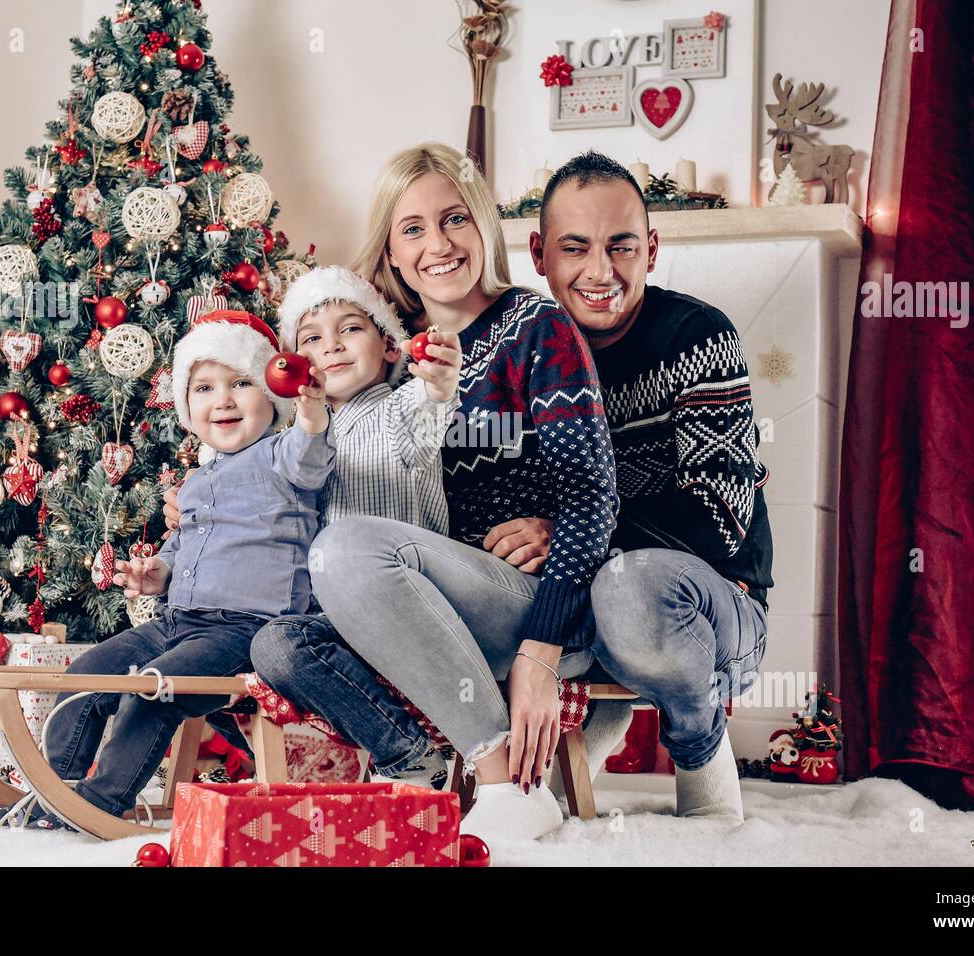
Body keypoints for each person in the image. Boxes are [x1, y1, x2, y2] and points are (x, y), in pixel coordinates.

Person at [302, 142, 621, 843]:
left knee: (344, 552)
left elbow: (593, 495)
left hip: (526, 607)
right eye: (412, 228)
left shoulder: (535, 327)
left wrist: (542, 650)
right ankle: (408, 774)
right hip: (415, 600)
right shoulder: (378, 342)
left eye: (454, 220)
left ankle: (504, 779)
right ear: (390, 246)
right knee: (287, 630)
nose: (438, 244)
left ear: (482, 224)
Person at [527, 151, 775, 822]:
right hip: (583, 602)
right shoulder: (528, 353)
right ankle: (572, 733)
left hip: (716, 608)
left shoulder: (698, 337)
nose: (600, 271)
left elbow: (717, 520)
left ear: (652, 250)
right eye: (574, 248)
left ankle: (699, 745)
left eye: (621, 246)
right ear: (539, 254)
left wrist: (570, 529)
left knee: (628, 583)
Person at [19, 309, 333, 829]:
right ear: (188, 407)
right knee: (86, 674)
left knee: (153, 689)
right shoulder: (197, 478)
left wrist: (312, 409)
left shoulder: (283, 455)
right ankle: (58, 786)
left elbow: (311, 452)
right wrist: (157, 572)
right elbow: (183, 544)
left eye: (241, 382)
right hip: (174, 622)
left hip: (245, 629)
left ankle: (100, 801)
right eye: (204, 388)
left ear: (273, 396)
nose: (223, 399)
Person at [242, 265, 465, 788]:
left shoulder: (396, 411)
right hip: (333, 620)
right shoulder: (296, 436)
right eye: (313, 339)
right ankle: (401, 749)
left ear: (390, 347)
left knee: (277, 645)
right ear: (298, 363)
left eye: (352, 329)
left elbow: (430, 408)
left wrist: (440, 380)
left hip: (403, 604)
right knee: (268, 644)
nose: (333, 345)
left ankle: (409, 759)